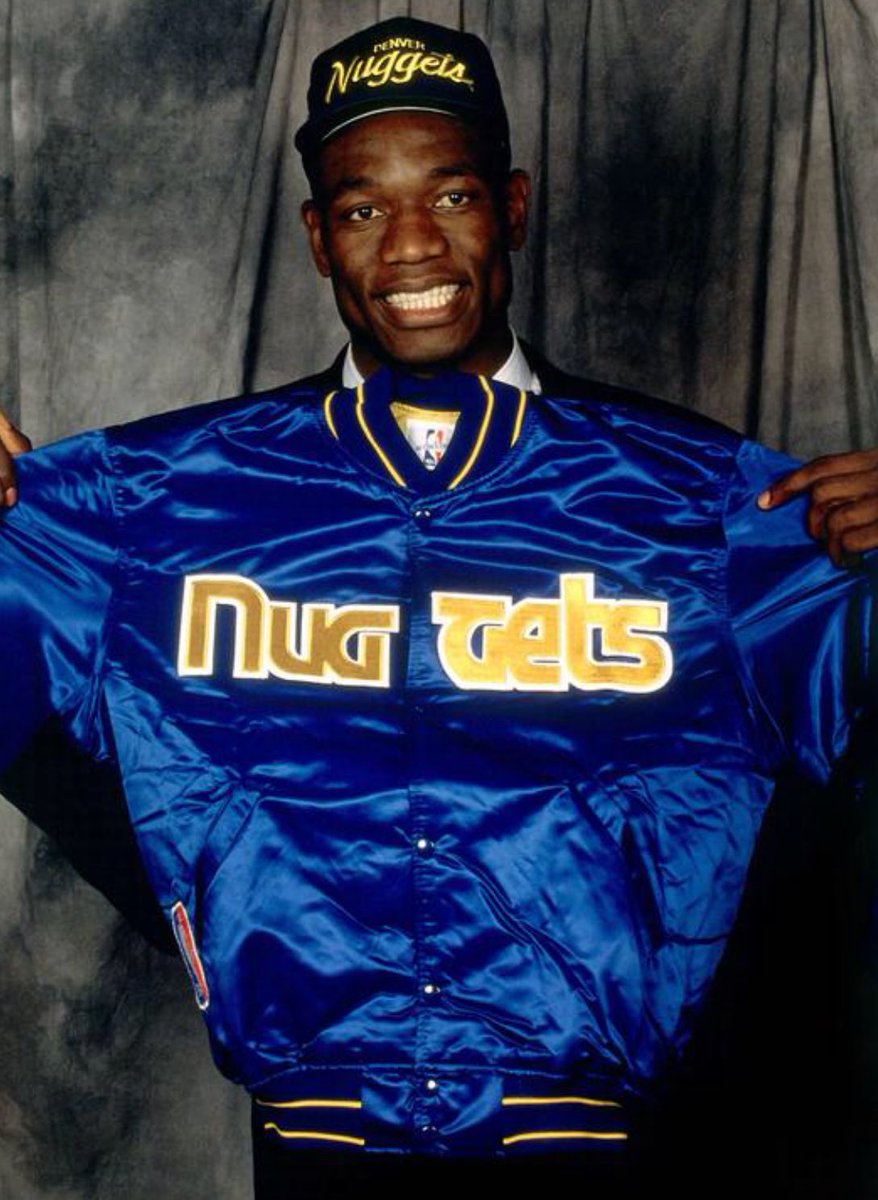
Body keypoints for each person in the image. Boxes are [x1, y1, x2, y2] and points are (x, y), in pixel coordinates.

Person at [0, 16, 876, 1199]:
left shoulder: (700, 499)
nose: (412, 244)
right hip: (318, 1139)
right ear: (318, 238)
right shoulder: (172, 498)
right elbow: (37, 717)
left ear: (510, 207)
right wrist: (228, 886)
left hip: (628, 1140)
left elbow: (838, 782)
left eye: (450, 195)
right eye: (363, 207)